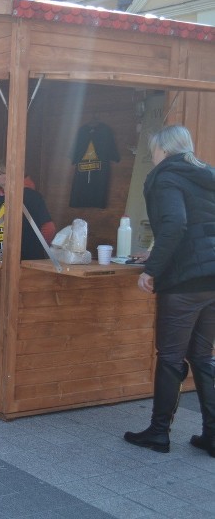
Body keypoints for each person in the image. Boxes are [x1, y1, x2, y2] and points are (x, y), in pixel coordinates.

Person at [124, 125, 215, 457]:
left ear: (163, 149)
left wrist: (151, 269)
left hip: (184, 283)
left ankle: (159, 433)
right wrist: (157, 251)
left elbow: (176, 224)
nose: (153, 155)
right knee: (203, 358)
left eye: (154, 150)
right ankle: (212, 436)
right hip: (211, 279)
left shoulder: (166, 176)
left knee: (171, 359)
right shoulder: (206, 175)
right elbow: (198, 227)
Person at [0, 160, 56, 260]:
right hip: (0, 260)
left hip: (28, 259)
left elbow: (49, 228)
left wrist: (37, 249)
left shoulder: (32, 197)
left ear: (11, 174)